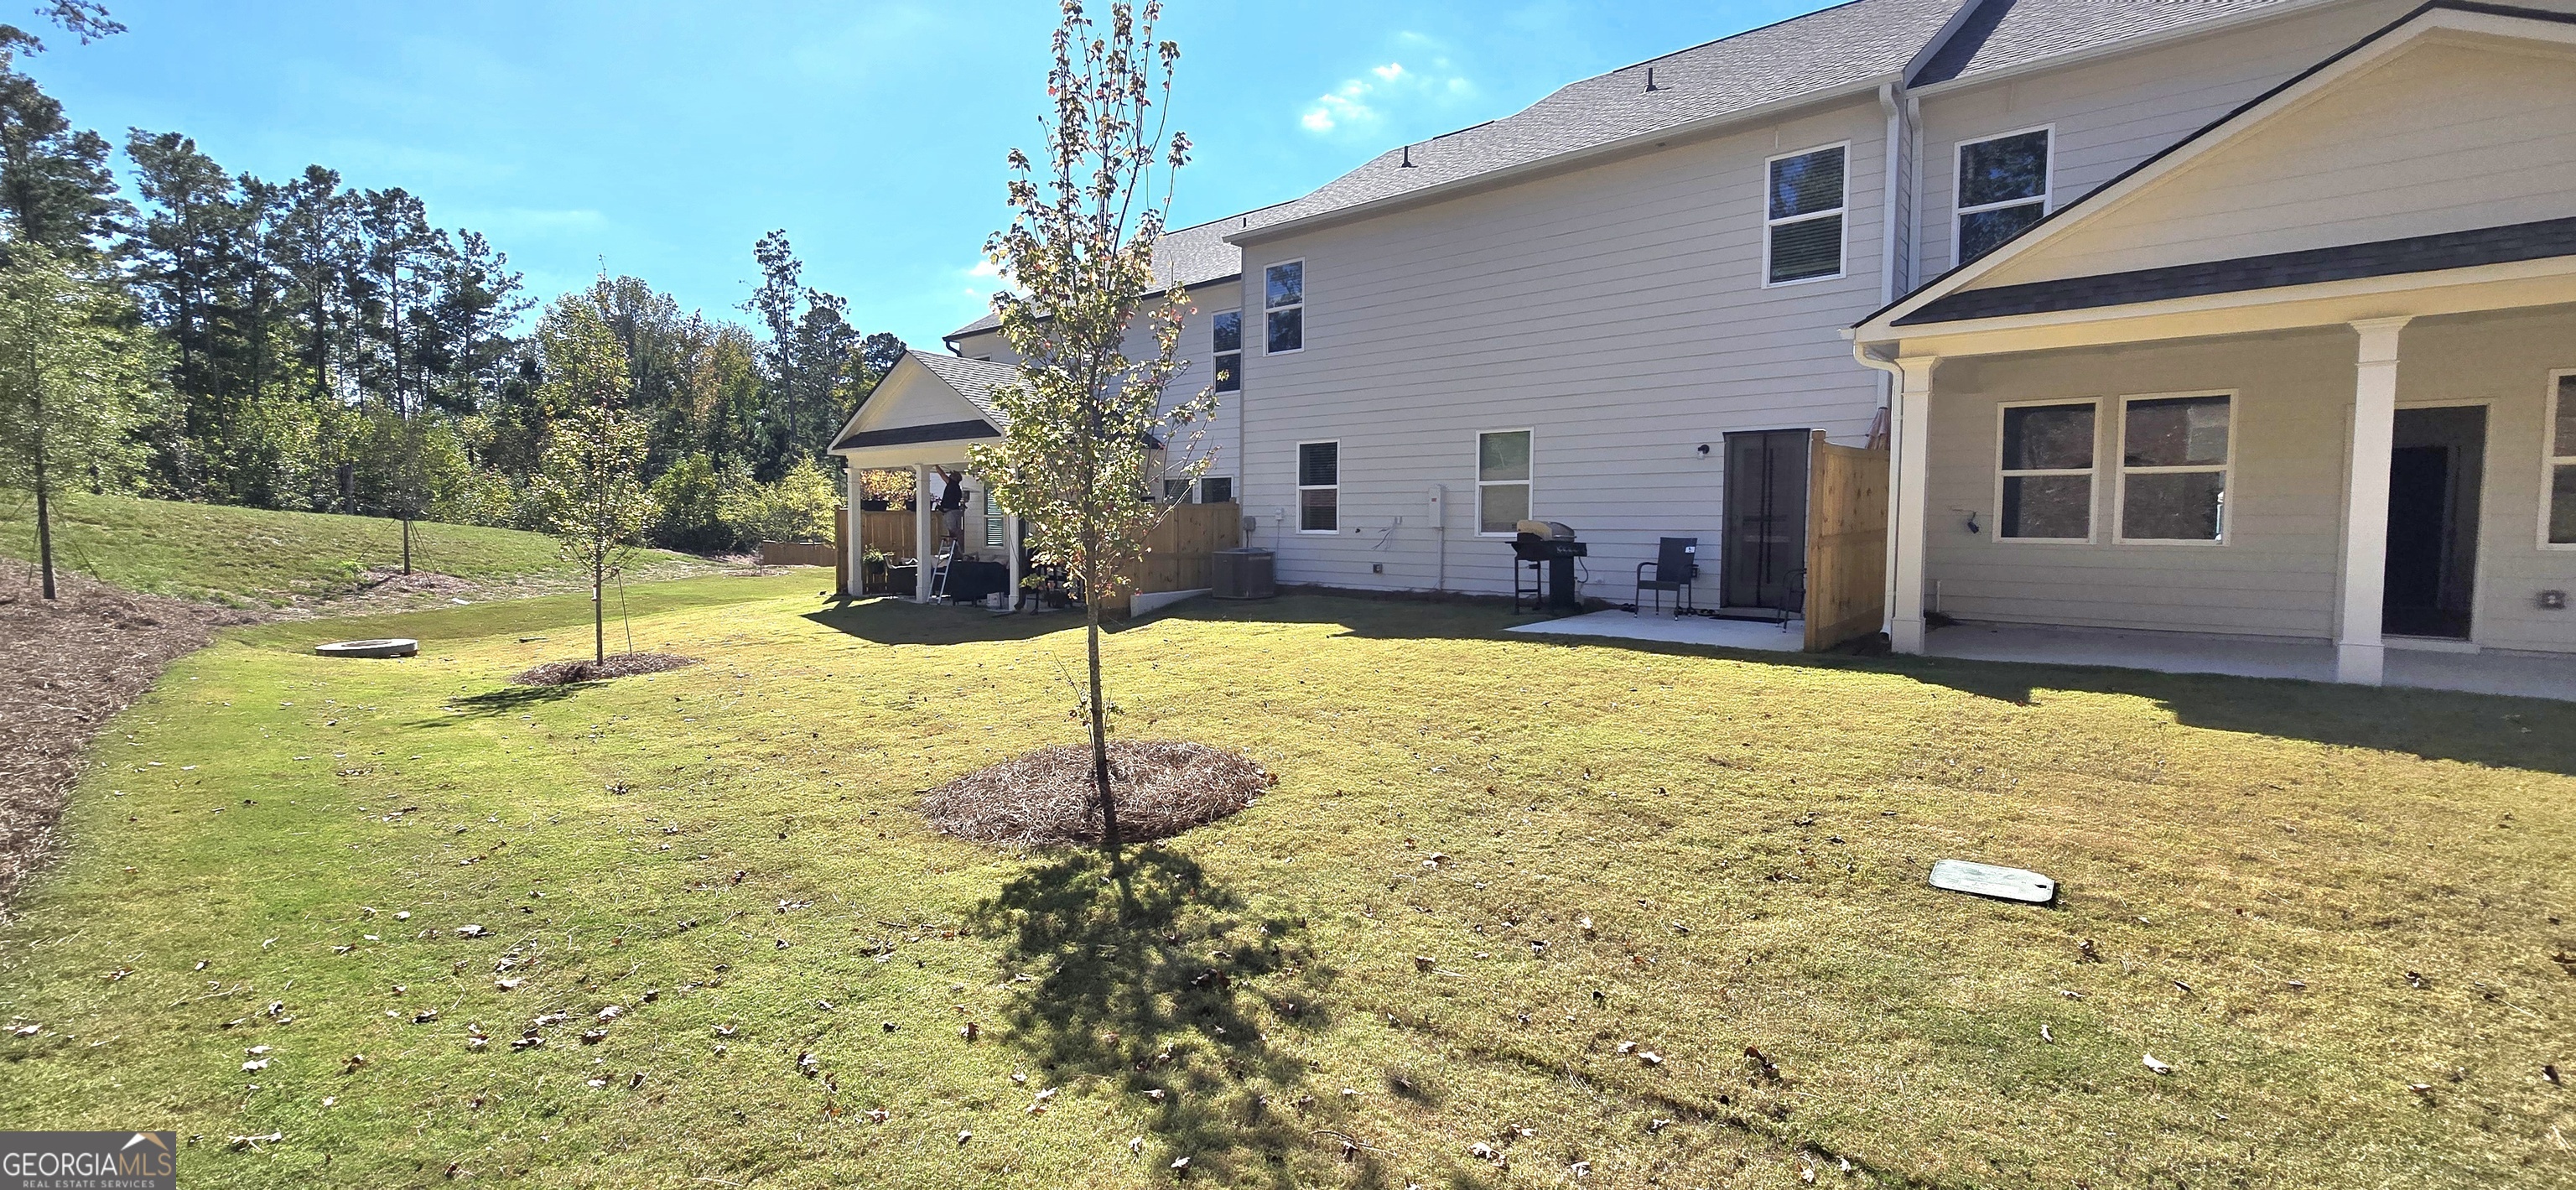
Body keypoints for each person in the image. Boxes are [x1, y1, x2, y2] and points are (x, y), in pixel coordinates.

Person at [933, 466, 967, 555]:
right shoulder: (958, 489)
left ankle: (958, 550)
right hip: (955, 511)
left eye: (952, 475)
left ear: (954, 478)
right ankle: (958, 549)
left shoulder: (952, 484)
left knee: (953, 531)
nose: (950, 475)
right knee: (956, 531)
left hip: (950, 512)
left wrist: (936, 465)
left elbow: (942, 474)